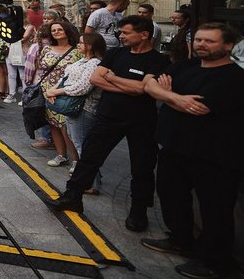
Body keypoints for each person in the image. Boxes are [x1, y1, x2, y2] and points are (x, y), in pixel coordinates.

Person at [47, 16, 170, 232]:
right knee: (89, 157)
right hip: (108, 116)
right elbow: (96, 79)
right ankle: (73, 196)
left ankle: (139, 211)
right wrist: (131, 87)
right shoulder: (115, 54)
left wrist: (113, 79)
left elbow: (142, 88)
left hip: (141, 120)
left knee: (142, 166)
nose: (121, 36)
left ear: (144, 35)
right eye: (120, 32)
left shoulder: (158, 60)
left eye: (126, 33)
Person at [142, 23, 244, 279]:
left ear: (228, 45)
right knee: (171, 194)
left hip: (214, 154)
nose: (201, 45)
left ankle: (216, 261)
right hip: (174, 146)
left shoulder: (234, 77)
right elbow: (148, 84)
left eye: (209, 41)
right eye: (199, 40)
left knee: (215, 208)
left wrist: (166, 95)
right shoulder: (186, 66)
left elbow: (200, 108)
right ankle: (181, 240)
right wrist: (176, 98)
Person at [46, 32, 106, 190]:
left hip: (84, 109)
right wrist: (53, 90)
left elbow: (83, 87)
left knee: (82, 145)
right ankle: (91, 180)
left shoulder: (94, 63)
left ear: (90, 45)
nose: (78, 45)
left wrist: (57, 91)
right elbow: (65, 79)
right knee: (78, 142)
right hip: (73, 108)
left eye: (81, 43)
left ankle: (92, 184)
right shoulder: (82, 61)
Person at [38, 22, 82, 168]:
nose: (56, 32)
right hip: (47, 91)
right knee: (53, 124)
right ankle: (61, 156)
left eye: (59, 29)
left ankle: (76, 160)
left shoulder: (77, 50)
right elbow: (40, 68)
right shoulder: (47, 49)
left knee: (65, 126)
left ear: (67, 31)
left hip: (66, 92)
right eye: (53, 30)